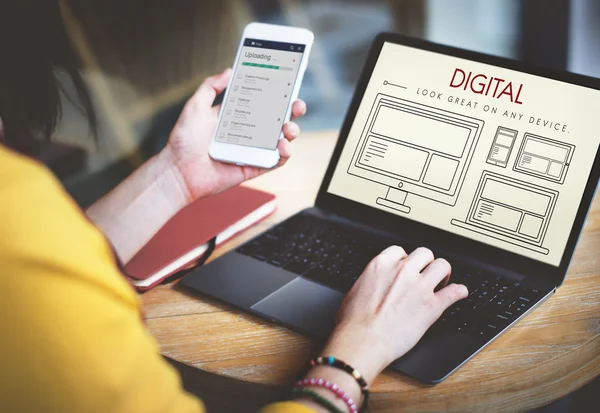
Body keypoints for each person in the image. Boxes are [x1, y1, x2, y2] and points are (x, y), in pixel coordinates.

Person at [0, 2, 468, 412]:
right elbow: (34, 268)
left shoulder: (21, 208)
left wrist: (175, 177)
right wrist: (361, 347)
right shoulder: (17, 218)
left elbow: (55, 254)